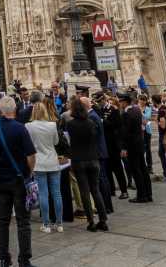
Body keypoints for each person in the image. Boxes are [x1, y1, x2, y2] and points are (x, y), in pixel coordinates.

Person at [0, 96, 36, 267]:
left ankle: (4, 259)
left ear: (0, 109)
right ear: (15, 110)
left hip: (1, 181)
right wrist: (29, 171)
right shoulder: (20, 129)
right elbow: (31, 155)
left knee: (3, 220)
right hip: (19, 180)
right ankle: (24, 260)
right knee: (23, 221)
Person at [65, 96, 108, 232]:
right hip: (93, 159)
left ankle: (91, 222)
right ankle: (103, 220)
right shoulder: (90, 123)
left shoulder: (71, 124)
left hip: (79, 160)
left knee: (85, 192)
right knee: (96, 190)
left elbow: (70, 140)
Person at [26, 101, 64, 232]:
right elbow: (56, 142)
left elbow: (28, 144)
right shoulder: (52, 125)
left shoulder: (29, 126)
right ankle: (59, 224)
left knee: (43, 193)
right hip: (52, 161)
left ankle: (46, 224)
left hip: (39, 162)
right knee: (57, 193)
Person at [119, 93, 152, 203]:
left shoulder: (126, 114)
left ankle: (141, 195)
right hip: (139, 144)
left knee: (136, 170)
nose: (120, 104)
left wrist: (123, 148)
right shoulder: (137, 110)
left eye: (121, 102)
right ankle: (148, 194)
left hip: (132, 145)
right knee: (143, 168)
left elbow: (125, 132)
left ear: (124, 102)